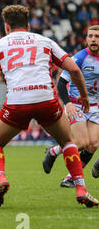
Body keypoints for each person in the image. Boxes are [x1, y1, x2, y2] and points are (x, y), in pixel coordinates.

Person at [0, 5, 98, 208]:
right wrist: (83, 96)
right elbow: (73, 69)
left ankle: (1, 178)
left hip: (17, 102)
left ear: (6, 27)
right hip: (46, 99)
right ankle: (81, 189)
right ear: (28, 25)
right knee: (67, 142)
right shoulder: (45, 41)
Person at [42, 25, 99, 187]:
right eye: (91, 36)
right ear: (86, 39)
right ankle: (53, 151)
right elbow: (61, 84)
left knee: (93, 145)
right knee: (81, 143)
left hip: (94, 107)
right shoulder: (79, 58)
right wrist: (68, 104)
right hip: (76, 105)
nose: (94, 39)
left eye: (97, 36)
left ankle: (69, 178)